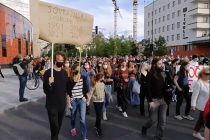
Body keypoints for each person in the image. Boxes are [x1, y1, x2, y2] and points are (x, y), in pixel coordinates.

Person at [43, 52, 70, 140]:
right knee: (54, 126)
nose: (60, 62)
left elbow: (67, 89)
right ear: (55, 60)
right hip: (52, 105)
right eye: (58, 60)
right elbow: (45, 90)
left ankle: (55, 137)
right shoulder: (48, 73)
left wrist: (74, 82)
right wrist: (49, 84)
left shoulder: (65, 73)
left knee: (58, 126)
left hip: (62, 104)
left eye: (62, 60)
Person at [141, 58, 168, 140]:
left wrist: (168, 88)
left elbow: (165, 86)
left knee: (162, 121)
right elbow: (147, 88)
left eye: (162, 63)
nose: (162, 65)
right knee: (153, 120)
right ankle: (145, 127)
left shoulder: (163, 74)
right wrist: (150, 101)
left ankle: (158, 137)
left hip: (163, 100)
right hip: (154, 100)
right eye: (159, 64)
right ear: (154, 65)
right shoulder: (150, 74)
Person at [69, 64, 89, 140]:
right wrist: (69, 99)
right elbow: (67, 90)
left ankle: (84, 136)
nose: (78, 71)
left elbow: (86, 88)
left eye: (79, 69)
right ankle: (73, 128)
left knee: (82, 119)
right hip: (74, 100)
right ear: (73, 70)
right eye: (77, 69)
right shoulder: (70, 79)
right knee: (73, 117)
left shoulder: (83, 78)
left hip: (81, 100)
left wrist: (85, 97)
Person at [191, 68, 210, 140]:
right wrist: (193, 105)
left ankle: (202, 129)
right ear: (202, 74)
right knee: (202, 119)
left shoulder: (208, 82)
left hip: (208, 104)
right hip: (202, 105)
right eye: (207, 74)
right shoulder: (199, 83)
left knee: (204, 119)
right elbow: (195, 95)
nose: (209, 76)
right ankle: (196, 132)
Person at [89, 73, 106, 138]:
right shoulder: (94, 84)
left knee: (99, 115)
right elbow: (90, 92)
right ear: (100, 78)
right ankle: (99, 130)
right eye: (103, 77)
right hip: (96, 101)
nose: (103, 78)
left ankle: (96, 125)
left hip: (101, 101)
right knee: (99, 115)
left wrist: (108, 95)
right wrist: (88, 101)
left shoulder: (103, 84)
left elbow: (105, 91)